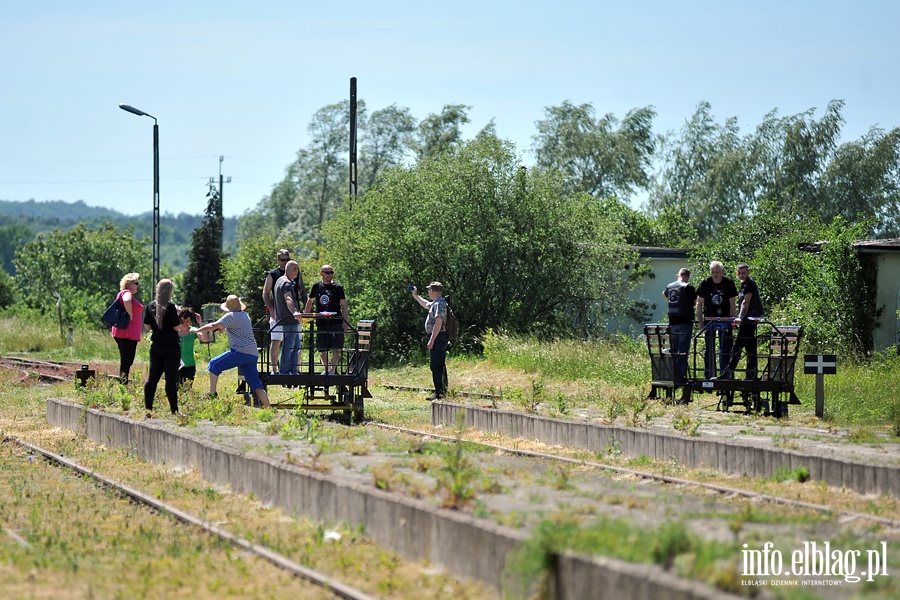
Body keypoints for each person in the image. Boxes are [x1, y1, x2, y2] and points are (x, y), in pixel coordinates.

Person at [191, 295, 271, 408]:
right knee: (255, 384)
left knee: (214, 364)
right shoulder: (245, 315)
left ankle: (212, 394)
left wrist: (198, 330)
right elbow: (232, 327)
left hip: (240, 351)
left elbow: (214, 325)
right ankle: (268, 407)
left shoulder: (231, 316)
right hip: (252, 353)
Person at [261, 249, 306, 373]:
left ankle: (294, 369)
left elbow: (302, 290)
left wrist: (305, 309)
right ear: (278, 260)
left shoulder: (291, 276)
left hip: (292, 316)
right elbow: (266, 294)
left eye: (287, 259)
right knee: (279, 342)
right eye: (283, 259)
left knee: (296, 344)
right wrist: (271, 309)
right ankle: (279, 370)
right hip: (282, 315)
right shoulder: (274, 275)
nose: (285, 261)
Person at [717, 264, 765, 380]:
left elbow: (745, 302)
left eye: (743, 272)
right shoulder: (743, 285)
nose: (741, 275)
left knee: (737, 347)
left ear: (748, 273)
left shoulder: (749, 284)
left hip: (750, 320)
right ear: (736, 273)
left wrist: (740, 317)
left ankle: (727, 373)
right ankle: (751, 374)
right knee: (750, 347)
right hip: (748, 320)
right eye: (739, 273)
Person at [143, 279, 182, 417]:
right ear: (169, 291)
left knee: (152, 378)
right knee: (170, 380)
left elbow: (147, 328)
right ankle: (174, 411)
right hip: (171, 348)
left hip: (156, 347)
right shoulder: (170, 307)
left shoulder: (150, 306)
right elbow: (177, 327)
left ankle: (148, 409)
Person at [303, 264, 349, 375]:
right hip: (321, 321)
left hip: (335, 321)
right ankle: (326, 368)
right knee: (322, 348)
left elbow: (344, 305)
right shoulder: (316, 286)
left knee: (336, 347)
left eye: (331, 272)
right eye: (327, 272)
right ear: (321, 273)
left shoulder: (338, 288)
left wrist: (345, 322)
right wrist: (305, 315)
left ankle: (333, 370)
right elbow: (310, 300)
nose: (330, 275)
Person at [695, 261, 738, 379]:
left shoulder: (729, 283)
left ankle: (724, 375)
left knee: (725, 348)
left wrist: (732, 321)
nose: (715, 275)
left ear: (722, 272)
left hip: (725, 319)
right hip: (710, 319)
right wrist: (700, 323)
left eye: (717, 272)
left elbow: (732, 303)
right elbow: (699, 303)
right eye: (712, 272)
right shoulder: (705, 283)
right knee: (709, 348)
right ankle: (708, 376)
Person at [411, 282, 449, 400]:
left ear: (433, 291)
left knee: (436, 366)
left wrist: (432, 340)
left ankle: (439, 392)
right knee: (439, 364)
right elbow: (426, 304)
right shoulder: (436, 304)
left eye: (429, 290)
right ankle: (441, 391)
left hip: (438, 337)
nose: (428, 292)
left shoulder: (439, 304)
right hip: (438, 337)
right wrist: (415, 295)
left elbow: (438, 323)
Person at [662, 268, 696, 384]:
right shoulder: (688, 287)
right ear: (687, 276)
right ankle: (680, 376)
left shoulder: (670, 286)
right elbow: (695, 302)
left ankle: (672, 374)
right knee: (682, 351)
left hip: (672, 322)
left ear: (678, 275)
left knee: (674, 350)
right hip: (685, 322)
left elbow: (664, 294)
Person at [111, 272, 144, 382]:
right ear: (129, 284)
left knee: (126, 361)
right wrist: (130, 315)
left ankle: (123, 383)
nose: (137, 285)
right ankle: (123, 385)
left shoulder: (124, 293)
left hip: (125, 333)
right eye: (136, 283)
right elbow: (127, 300)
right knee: (127, 361)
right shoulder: (127, 293)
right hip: (127, 334)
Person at [275, 260, 302, 374]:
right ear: (292, 270)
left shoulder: (279, 280)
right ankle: (285, 371)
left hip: (289, 320)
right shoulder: (286, 283)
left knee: (296, 347)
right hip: (290, 321)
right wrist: (294, 312)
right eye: (296, 269)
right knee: (289, 347)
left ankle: (293, 370)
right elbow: (288, 299)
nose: (297, 272)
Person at [176, 307, 208, 388]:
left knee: (187, 389)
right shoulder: (174, 331)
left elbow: (205, 339)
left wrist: (200, 323)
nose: (185, 323)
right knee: (175, 389)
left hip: (189, 365)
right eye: (183, 320)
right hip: (175, 365)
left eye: (188, 321)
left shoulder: (193, 330)